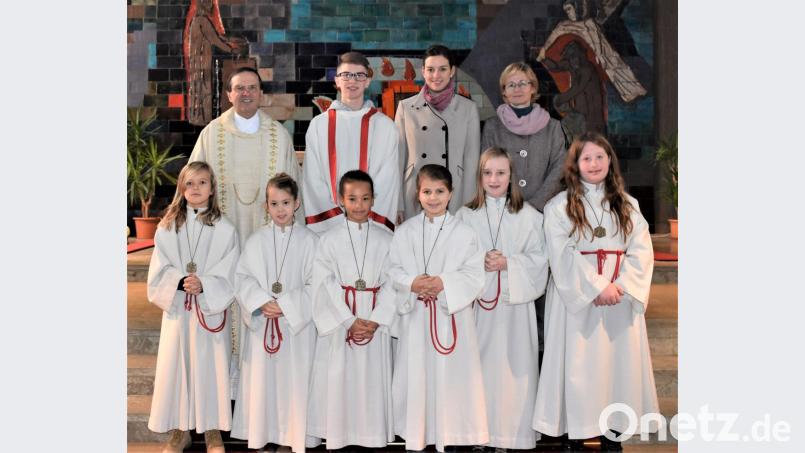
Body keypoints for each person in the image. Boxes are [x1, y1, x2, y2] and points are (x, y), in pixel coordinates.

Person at [532, 132, 659, 451]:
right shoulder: (558, 206)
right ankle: (575, 436)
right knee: (579, 369)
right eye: (586, 158)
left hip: (619, 299)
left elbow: (642, 250)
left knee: (617, 368)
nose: (593, 164)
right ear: (574, 164)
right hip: (578, 300)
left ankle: (612, 436)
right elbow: (561, 252)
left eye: (599, 157)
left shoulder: (628, 205)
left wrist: (622, 286)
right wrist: (598, 286)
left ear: (610, 161)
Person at [189, 66, 301, 395]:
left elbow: (293, 191)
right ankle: (225, 392)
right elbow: (193, 185)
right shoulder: (211, 134)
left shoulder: (278, 135)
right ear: (229, 94)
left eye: (252, 87)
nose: (246, 93)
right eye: (239, 88)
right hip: (221, 240)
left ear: (261, 94)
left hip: (268, 241)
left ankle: (256, 392)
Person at [387, 164, 488, 453]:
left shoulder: (465, 233)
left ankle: (451, 436)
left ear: (451, 193)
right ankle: (417, 436)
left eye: (440, 191)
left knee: (451, 378)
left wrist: (443, 283)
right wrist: (413, 283)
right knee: (417, 377)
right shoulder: (405, 232)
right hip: (417, 317)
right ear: (417, 194)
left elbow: (474, 275)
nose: (433, 198)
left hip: (450, 316)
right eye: (427, 192)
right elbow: (392, 269)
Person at [454, 148, 549, 451]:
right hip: (478, 310)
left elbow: (541, 260)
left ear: (511, 177)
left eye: (500, 173)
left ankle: (510, 436)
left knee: (513, 373)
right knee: (478, 371)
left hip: (514, 311)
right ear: (479, 177)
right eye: (487, 173)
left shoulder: (530, 216)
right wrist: (479, 261)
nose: (493, 179)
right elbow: (452, 259)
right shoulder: (464, 216)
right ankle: (478, 436)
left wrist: (509, 263)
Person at [146, 161, 239, 453]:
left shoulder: (225, 229)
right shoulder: (167, 227)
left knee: (211, 368)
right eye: (189, 183)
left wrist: (205, 283)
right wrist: (180, 280)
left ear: (212, 189)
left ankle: (213, 431)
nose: (195, 188)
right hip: (179, 310)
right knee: (177, 368)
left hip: (209, 310)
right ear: (181, 188)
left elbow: (231, 270)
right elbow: (158, 268)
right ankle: (179, 431)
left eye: (202, 182)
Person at [307, 170, 397, 450]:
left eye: (365, 198)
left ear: (374, 200)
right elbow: (324, 283)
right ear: (340, 200)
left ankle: (371, 436)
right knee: (340, 380)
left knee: (371, 382)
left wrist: (376, 319)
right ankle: (339, 436)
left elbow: (394, 282)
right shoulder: (328, 240)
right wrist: (348, 320)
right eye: (352, 199)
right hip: (342, 319)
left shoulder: (386, 239)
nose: (359, 205)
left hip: (373, 320)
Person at [231, 173, 319, 453]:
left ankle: (293, 438)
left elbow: (317, 284)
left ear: (297, 204)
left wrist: (287, 305)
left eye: (286, 203)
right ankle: (262, 435)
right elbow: (242, 278)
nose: (280, 210)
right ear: (266, 206)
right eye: (274, 204)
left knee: (294, 383)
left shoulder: (311, 242)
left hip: (295, 331)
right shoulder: (256, 241)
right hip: (264, 326)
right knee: (263, 384)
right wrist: (260, 301)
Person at [303, 51, 400, 234]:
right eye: (346, 75)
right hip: (330, 229)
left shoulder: (386, 127)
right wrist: (336, 222)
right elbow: (313, 178)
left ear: (367, 81)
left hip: (371, 229)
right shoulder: (319, 125)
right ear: (337, 81)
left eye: (359, 75)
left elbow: (388, 180)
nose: (352, 81)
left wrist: (364, 218)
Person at [395, 44, 480, 220]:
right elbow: (398, 158)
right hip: (415, 192)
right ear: (423, 72)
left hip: (454, 191)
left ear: (452, 71)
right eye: (430, 69)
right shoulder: (406, 108)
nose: (436, 75)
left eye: (442, 69)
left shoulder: (468, 108)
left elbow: (471, 159)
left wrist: (469, 204)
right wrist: (397, 203)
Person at [480, 62, 567, 213]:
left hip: (543, 210)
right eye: (511, 85)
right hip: (503, 210)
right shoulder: (492, 127)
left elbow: (559, 167)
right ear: (504, 92)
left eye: (522, 83)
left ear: (532, 88)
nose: (517, 89)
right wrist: (506, 204)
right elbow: (486, 168)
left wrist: (536, 204)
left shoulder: (553, 127)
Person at [536, 0, 647, 103]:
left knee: (616, 64)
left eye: (569, 9)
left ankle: (635, 90)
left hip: (603, 50)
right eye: (566, 11)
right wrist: (543, 49)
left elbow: (598, 39)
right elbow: (553, 35)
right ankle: (629, 94)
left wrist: (600, 53)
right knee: (610, 68)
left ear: (576, 8)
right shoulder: (564, 25)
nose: (568, 13)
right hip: (593, 56)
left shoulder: (589, 23)